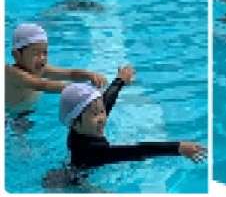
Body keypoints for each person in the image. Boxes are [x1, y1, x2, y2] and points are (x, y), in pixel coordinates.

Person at [60, 65, 206, 168]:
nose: (102, 118)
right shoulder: (92, 150)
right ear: (74, 123)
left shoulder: (79, 127)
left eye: (101, 111)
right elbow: (137, 151)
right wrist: (178, 148)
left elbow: (106, 102)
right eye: (94, 114)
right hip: (78, 184)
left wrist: (120, 80)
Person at [5, 23, 106, 112]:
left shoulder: (40, 69)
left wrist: (89, 75)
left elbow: (70, 74)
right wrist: (80, 89)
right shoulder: (13, 74)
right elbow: (43, 85)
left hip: (24, 112)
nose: (42, 58)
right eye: (36, 53)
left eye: (44, 52)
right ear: (17, 55)